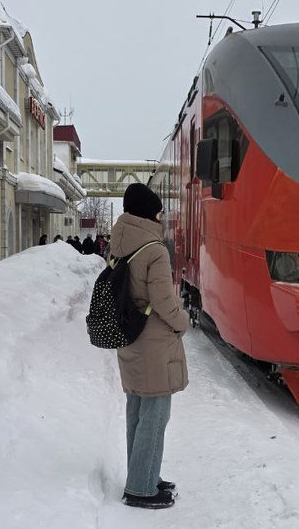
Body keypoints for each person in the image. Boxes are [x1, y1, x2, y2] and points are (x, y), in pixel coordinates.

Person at [109, 183, 189, 509]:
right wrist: (182, 321)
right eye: (157, 211)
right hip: (154, 341)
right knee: (155, 415)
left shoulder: (118, 243)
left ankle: (144, 476)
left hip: (129, 336)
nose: (160, 216)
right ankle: (141, 488)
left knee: (137, 413)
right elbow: (162, 300)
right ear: (147, 213)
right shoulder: (155, 250)